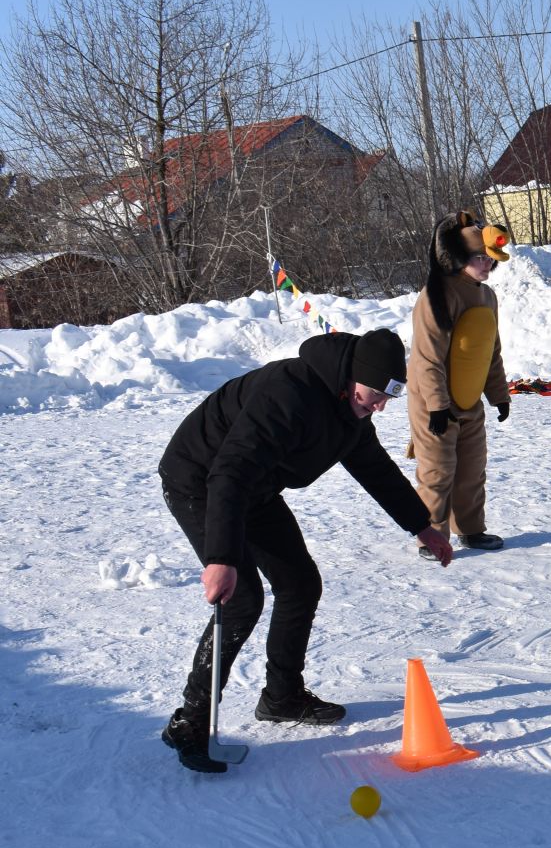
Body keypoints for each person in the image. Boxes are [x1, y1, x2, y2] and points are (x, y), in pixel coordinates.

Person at [156, 328, 454, 773]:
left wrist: (422, 526)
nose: (379, 407)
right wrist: (221, 557)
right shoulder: (287, 394)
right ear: (354, 377)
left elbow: (375, 468)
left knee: (299, 583)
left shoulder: (349, 409)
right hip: (203, 482)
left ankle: (282, 696)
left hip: (255, 489)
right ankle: (190, 721)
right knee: (242, 600)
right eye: (376, 395)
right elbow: (230, 472)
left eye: (389, 398)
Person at [409, 210, 514, 557]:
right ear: (458, 257)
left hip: (469, 399)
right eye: (479, 258)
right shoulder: (437, 295)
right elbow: (427, 357)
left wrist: (499, 395)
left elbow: (489, 350)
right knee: (438, 472)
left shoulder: (487, 297)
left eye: (489, 260)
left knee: (471, 469)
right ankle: (432, 535)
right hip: (433, 401)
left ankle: (470, 528)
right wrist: (437, 406)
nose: (486, 266)